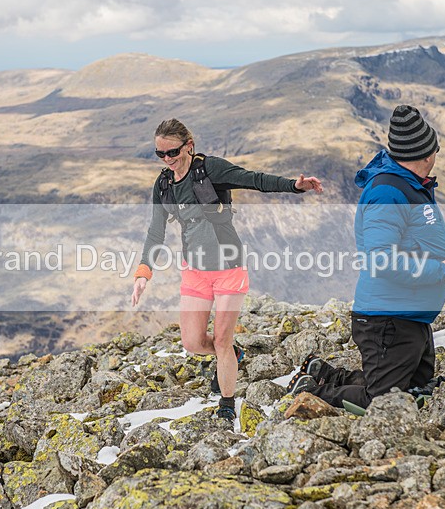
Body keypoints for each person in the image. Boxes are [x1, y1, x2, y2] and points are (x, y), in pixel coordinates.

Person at [132, 118, 323, 422]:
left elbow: (254, 179)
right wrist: (143, 274)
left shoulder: (211, 170)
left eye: (172, 152)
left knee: (220, 338)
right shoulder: (164, 184)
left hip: (228, 266)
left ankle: (227, 406)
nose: (167, 160)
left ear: (189, 146)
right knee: (193, 343)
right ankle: (232, 355)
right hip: (194, 271)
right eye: (160, 154)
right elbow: (156, 232)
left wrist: (294, 186)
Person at [288, 105, 445, 409]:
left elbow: (416, 237)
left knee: (416, 389)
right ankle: (310, 395)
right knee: (381, 402)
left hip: (410, 317)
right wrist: (440, 271)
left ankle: (324, 374)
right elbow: (381, 259)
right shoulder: (387, 192)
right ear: (427, 154)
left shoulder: (412, 185)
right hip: (388, 319)